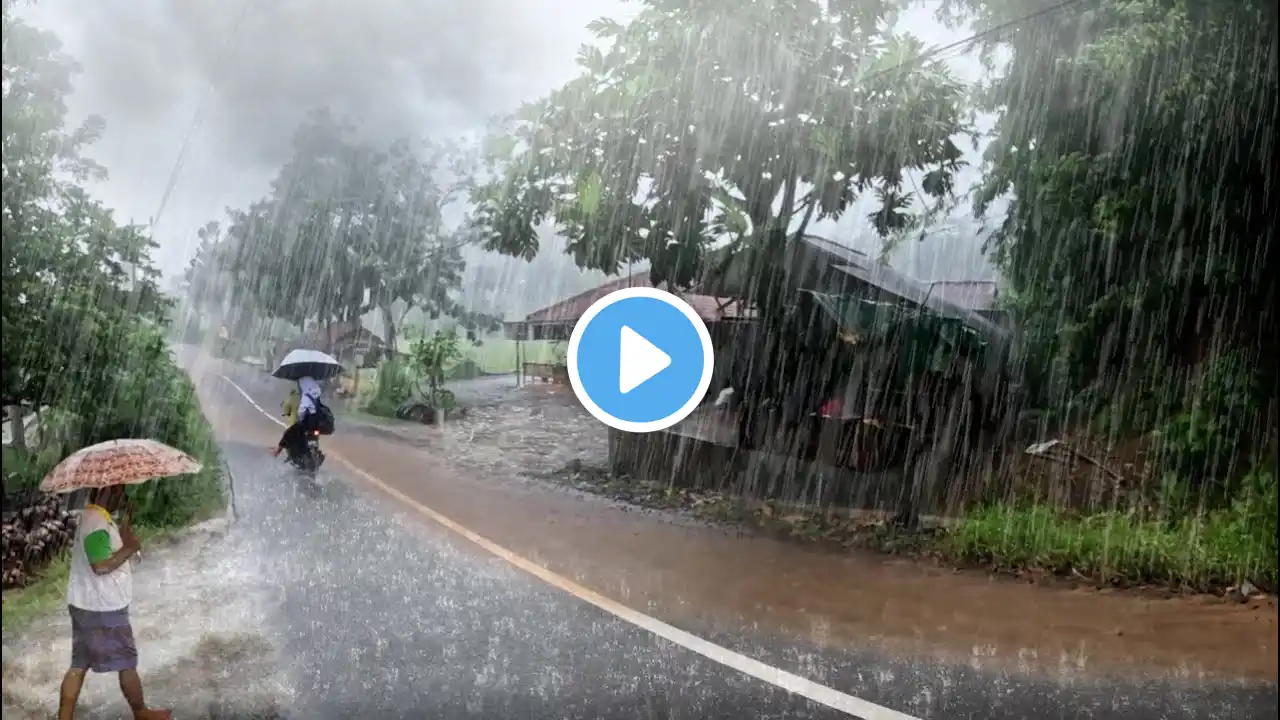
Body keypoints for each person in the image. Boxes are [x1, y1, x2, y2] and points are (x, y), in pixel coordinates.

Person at [58, 484, 170, 720]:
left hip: (87, 604)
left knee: (79, 663)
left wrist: (122, 532)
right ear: (105, 491)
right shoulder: (96, 521)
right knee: (127, 661)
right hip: (102, 607)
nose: (122, 495)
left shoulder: (97, 518)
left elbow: (105, 550)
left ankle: (64, 717)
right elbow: (101, 565)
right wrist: (129, 548)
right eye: (118, 490)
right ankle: (141, 712)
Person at [270, 376, 322, 461]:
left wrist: (300, 415)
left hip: (306, 423)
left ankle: (277, 451)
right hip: (316, 423)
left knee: (288, 433)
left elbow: (301, 411)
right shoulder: (316, 394)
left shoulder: (304, 396)